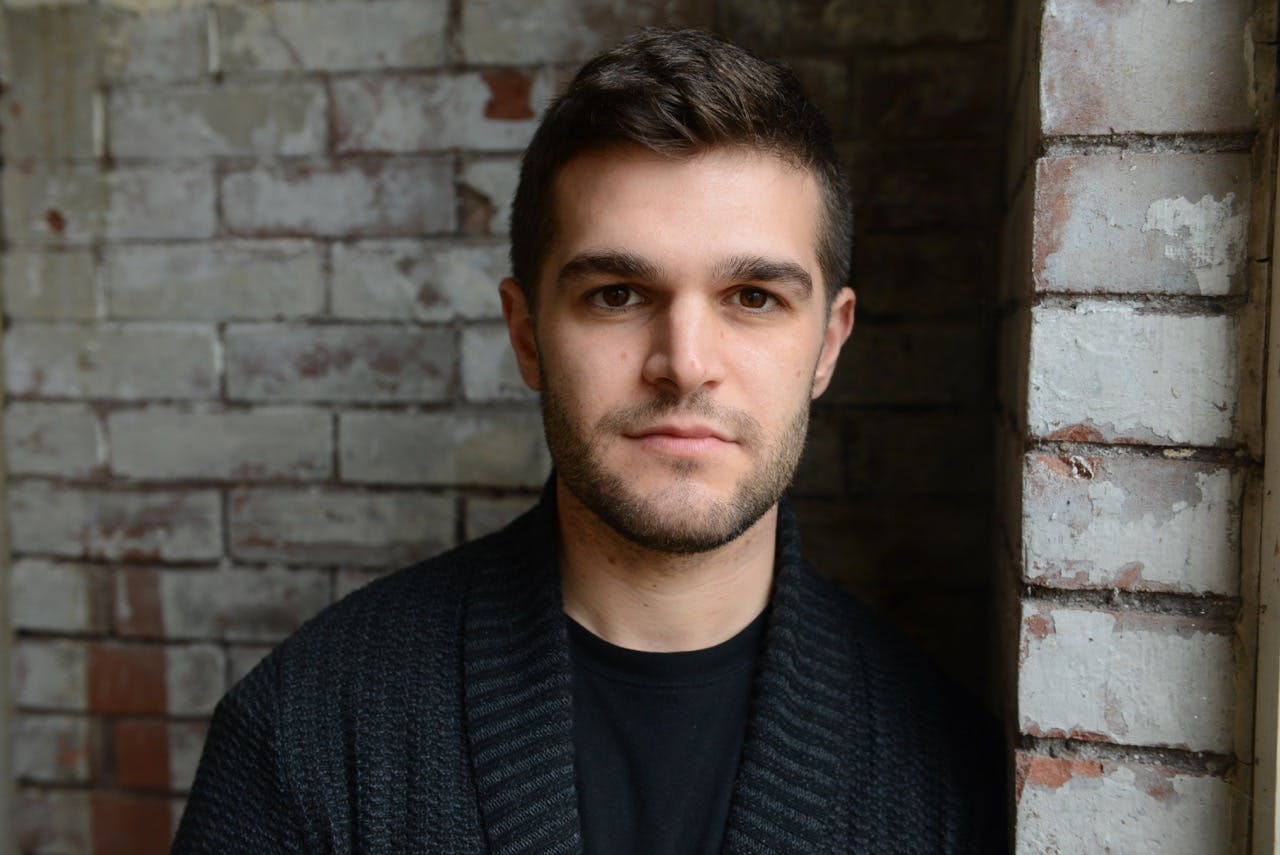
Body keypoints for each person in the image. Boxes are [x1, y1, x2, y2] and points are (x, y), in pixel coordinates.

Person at [173, 27, 1005, 854]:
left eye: (752, 297)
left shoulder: (946, 778)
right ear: (527, 333)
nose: (684, 365)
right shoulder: (308, 734)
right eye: (616, 294)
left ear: (828, 343)